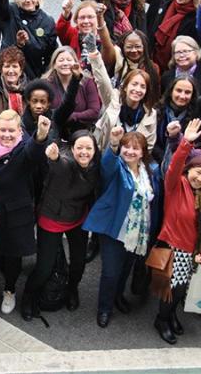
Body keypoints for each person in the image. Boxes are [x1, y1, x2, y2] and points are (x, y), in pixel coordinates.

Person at [152, 118, 201, 345]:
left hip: (196, 252)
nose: (199, 178)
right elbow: (174, 166)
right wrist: (185, 144)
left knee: (181, 290)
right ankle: (162, 319)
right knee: (171, 290)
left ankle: (171, 315)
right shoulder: (176, 184)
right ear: (190, 169)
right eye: (197, 172)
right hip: (174, 248)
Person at [84, 127, 160, 328]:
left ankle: (118, 296)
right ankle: (104, 308)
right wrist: (114, 144)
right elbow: (107, 164)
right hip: (115, 230)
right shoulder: (116, 166)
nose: (130, 152)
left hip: (138, 232)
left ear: (143, 152)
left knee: (126, 268)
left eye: (135, 148)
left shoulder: (150, 170)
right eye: (126, 147)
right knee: (110, 272)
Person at [0, 112, 51, 313]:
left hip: (14, 214)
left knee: (12, 256)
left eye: (11, 131)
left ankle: (9, 290)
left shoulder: (25, 147)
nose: (7, 135)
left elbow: (33, 153)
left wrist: (41, 135)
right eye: (3, 130)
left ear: (20, 130)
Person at [21, 131, 101, 320]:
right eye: (79, 148)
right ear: (71, 149)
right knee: (44, 268)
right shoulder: (65, 163)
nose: (84, 152)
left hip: (77, 219)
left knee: (79, 263)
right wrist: (54, 157)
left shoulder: (95, 167)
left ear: (95, 151)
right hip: (51, 219)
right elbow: (58, 165)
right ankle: (28, 296)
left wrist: (114, 144)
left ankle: (72, 289)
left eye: (89, 148)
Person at [0, 0, 58, 80]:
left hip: (34, 76)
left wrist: (46, 77)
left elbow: (51, 53)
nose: (28, 0)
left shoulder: (47, 21)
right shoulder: (11, 12)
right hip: (8, 74)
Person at [91, 47, 157, 152]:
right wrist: (94, 55)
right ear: (125, 87)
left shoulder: (150, 114)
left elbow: (148, 147)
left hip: (133, 161)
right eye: (134, 84)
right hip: (106, 155)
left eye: (142, 87)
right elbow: (103, 81)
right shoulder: (113, 100)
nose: (137, 89)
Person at [160, 4, 201, 95]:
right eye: (178, 52)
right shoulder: (167, 77)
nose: (182, 55)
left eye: (186, 51)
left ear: (196, 53)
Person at [146, 0, 201, 71]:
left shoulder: (195, 18)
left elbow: (195, 47)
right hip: (152, 64)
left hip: (176, 67)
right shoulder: (165, 0)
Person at [42, 46, 101, 135]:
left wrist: (73, 116)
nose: (65, 63)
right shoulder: (45, 84)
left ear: (76, 63)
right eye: (61, 60)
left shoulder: (87, 82)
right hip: (53, 132)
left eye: (69, 60)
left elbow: (94, 111)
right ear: (54, 64)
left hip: (82, 132)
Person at [0, 44, 27, 129]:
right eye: (7, 66)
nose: (11, 70)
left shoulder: (28, 92)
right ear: (1, 70)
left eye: (14, 66)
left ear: (20, 71)